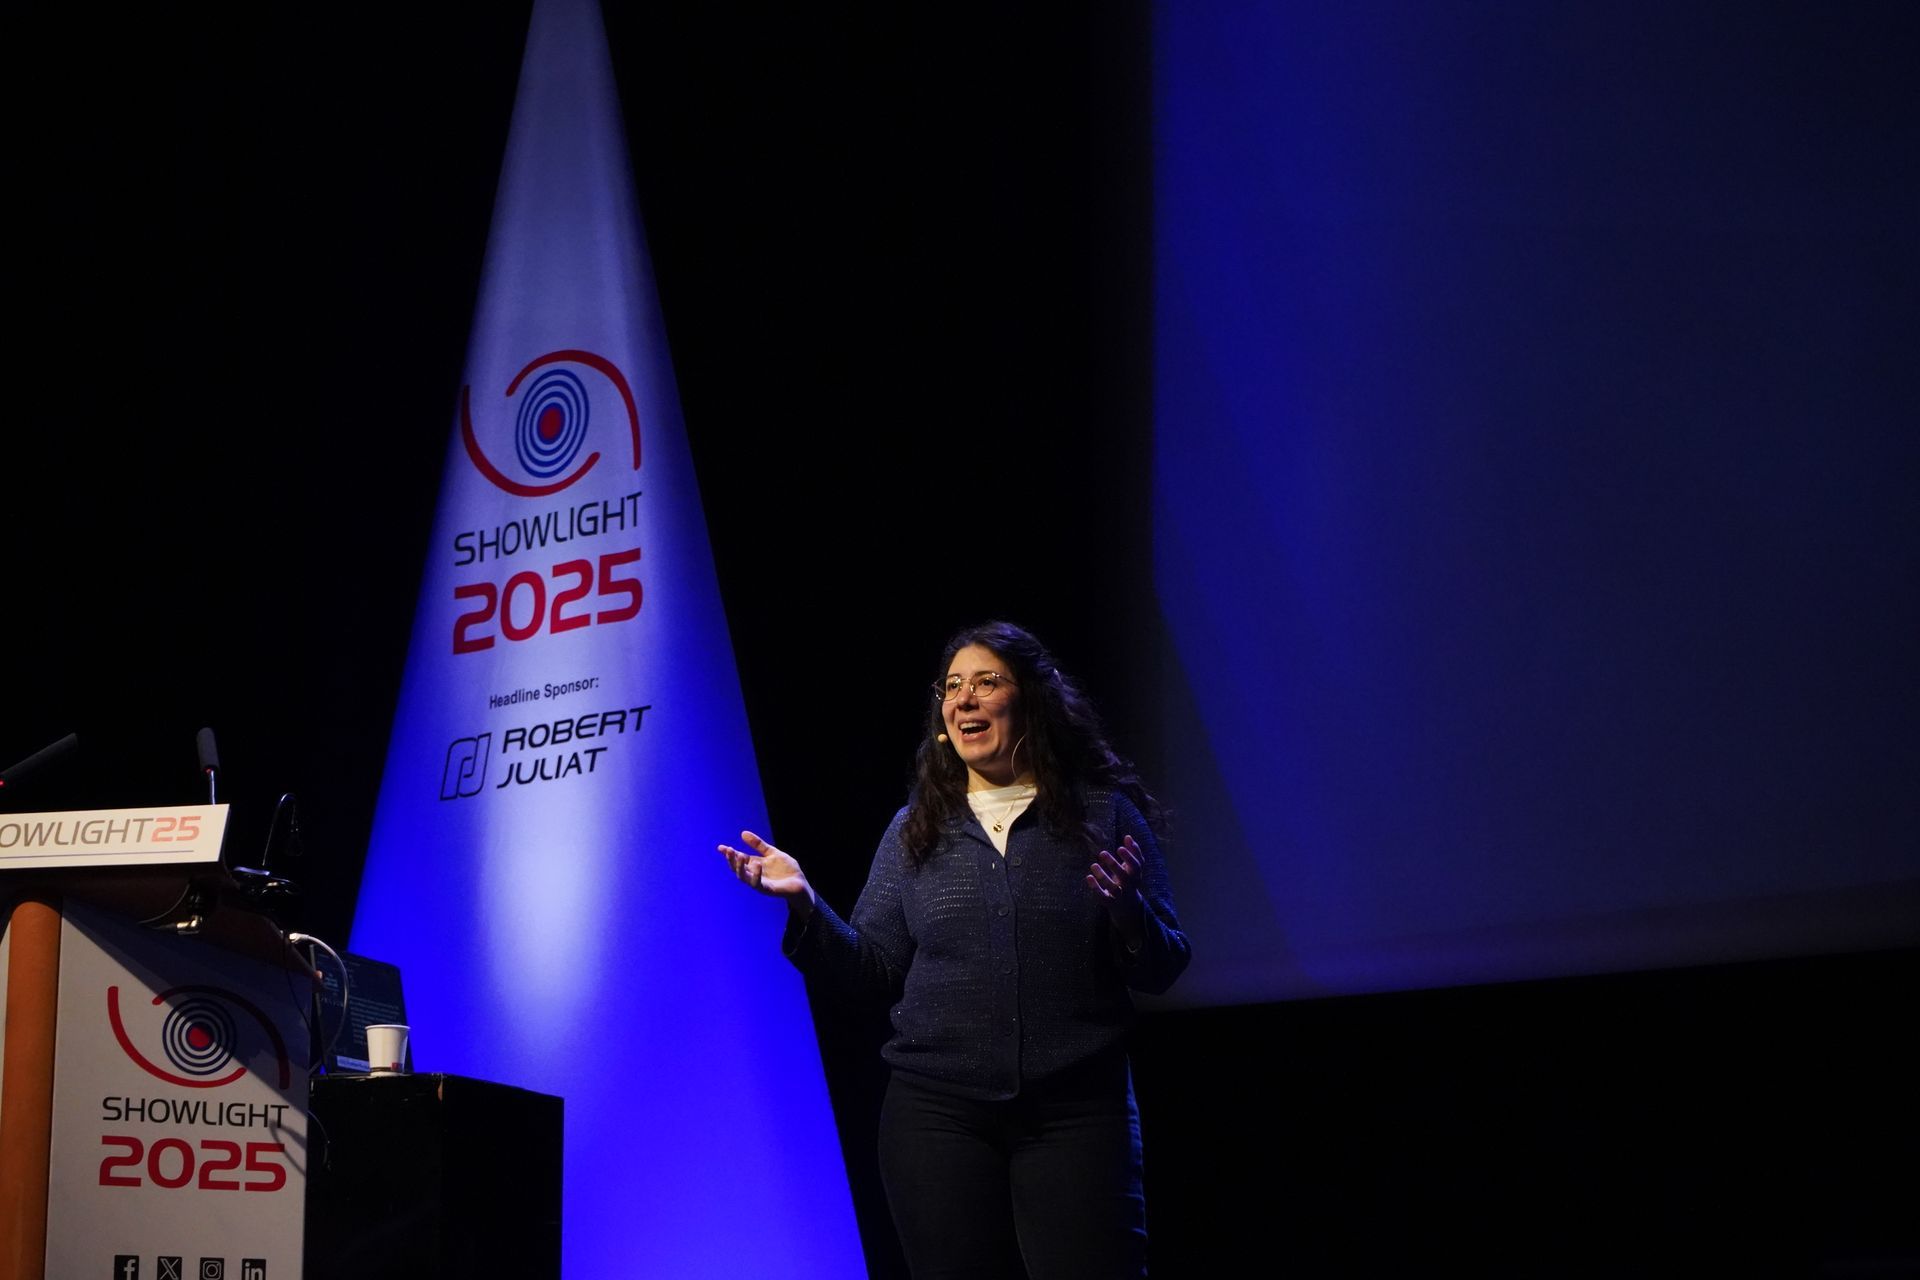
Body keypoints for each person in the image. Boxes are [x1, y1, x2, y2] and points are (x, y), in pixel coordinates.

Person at [720, 620, 1190, 1279]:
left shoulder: (1102, 813)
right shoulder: (916, 829)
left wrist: (1128, 915)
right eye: (952, 686)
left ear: (1031, 699)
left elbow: (1165, 967)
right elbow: (870, 971)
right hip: (938, 1115)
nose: (964, 698)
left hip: (1078, 1112)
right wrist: (806, 902)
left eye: (987, 681)